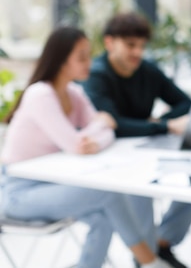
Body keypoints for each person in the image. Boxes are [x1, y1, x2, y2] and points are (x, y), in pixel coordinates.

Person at [0, 26, 173, 268]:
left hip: (53, 184)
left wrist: (98, 130)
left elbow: (107, 130)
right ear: (60, 61)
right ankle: (150, 262)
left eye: (88, 55)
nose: (88, 63)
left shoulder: (73, 92)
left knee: (103, 215)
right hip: (16, 193)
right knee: (107, 191)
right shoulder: (40, 94)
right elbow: (76, 143)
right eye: (81, 57)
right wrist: (96, 129)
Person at [82, 11, 191, 268]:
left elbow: (185, 102)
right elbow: (114, 126)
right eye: (130, 45)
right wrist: (164, 125)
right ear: (109, 43)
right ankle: (145, 256)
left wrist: (156, 124)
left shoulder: (146, 70)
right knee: (140, 186)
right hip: (111, 156)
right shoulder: (96, 75)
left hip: (148, 146)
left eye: (141, 46)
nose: (137, 52)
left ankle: (162, 244)